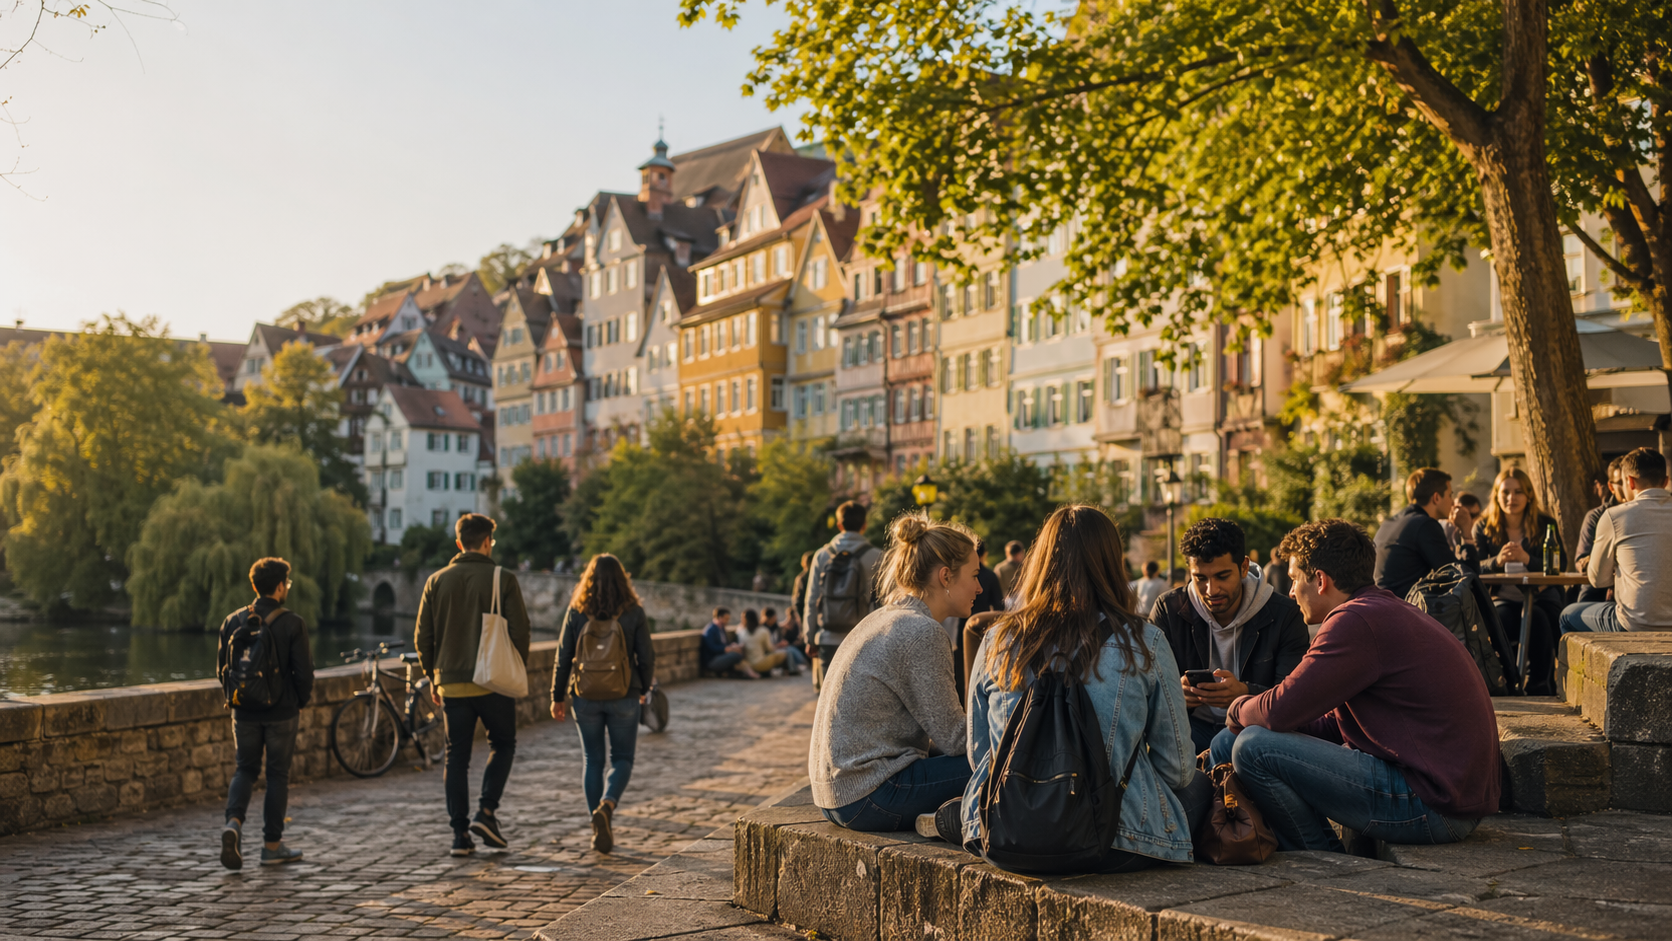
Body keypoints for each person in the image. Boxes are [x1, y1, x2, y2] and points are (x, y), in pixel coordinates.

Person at [1212, 519, 1500, 853]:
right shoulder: (1378, 609)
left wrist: (1236, 707)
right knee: (1229, 741)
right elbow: (1332, 724)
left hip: (1434, 806)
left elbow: (1279, 710)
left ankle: (1323, 858)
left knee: (1252, 746)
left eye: (1293, 579)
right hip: (1448, 797)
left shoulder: (1354, 621)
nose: (1290, 592)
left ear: (1320, 580)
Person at [960, 505, 1210, 871]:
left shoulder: (997, 639)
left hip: (1007, 831)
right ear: (1112, 561)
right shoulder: (1144, 641)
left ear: (1041, 560)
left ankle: (954, 818)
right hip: (1115, 843)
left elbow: (979, 754)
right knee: (1201, 786)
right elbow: (1177, 769)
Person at [808, 511, 978, 832]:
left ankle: (951, 817)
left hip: (835, 794)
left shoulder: (884, 618)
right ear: (945, 577)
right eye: (974, 575)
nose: (980, 587)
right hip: (870, 796)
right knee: (1009, 761)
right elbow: (955, 739)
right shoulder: (922, 632)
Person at [415, 513, 532, 857]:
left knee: (457, 757)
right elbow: (521, 631)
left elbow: (423, 637)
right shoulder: (502, 578)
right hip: (493, 680)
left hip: (451, 684)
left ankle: (459, 835)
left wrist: (434, 676)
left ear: (458, 543)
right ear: (486, 542)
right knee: (503, 743)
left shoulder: (436, 580)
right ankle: (487, 810)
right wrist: (514, 664)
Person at [1149, 518, 1310, 756]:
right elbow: (1143, 687)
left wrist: (1245, 693)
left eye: (1222, 576)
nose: (1211, 590)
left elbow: (1292, 700)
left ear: (1244, 567)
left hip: (1252, 730)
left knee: (1231, 744)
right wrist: (1173, 695)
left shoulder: (1284, 615)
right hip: (1190, 728)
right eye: (1200, 578)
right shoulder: (1168, 609)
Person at [550, 553, 656, 854]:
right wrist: (644, 687)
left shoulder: (577, 611)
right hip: (624, 693)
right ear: (623, 578)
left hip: (585, 696)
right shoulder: (633, 611)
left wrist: (556, 697)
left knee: (592, 760)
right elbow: (646, 656)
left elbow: (563, 657)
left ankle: (595, 826)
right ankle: (607, 807)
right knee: (622, 758)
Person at [217, 557, 314, 870]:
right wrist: (299, 701)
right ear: (280, 586)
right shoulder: (292, 623)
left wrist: (233, 699)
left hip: (243, 710)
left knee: (244, 769)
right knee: (277, 776)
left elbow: (222, 669)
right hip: (281, 712)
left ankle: (233, 823)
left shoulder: (232, 620)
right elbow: (304, 672)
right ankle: (271, 847)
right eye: (287, 583)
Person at [1473, 467, 1565, 695]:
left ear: (1529, 495)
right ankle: (1505, 683)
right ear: (1496, 495)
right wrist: (1497, 560)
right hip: (1501, 598)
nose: (1511, 498)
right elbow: (1472, 568)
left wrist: (1527, 559)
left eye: (1518, 492)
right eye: (1505, 492)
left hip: (1540, 598)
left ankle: (1541, 685)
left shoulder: (1545, 524)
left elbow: (1559, 566)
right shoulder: (1483, 527)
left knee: (1539, 619)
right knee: (1500, 621)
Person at [1561, 447, 1672, 634]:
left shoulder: (1614, 516)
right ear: (1666, 481)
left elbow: (1597, 580)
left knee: (1568, 615)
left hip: (1633, 624)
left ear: (1629, 481)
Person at [803, 501, 885, 688]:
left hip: (828, 637)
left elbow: (812, 599)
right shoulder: (877, 556)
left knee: (828, 701)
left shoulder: (822, 555)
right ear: (864, 525)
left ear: (839, 525)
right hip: (863, 639)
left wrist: (810, 637)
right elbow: (883, 601)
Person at [1373, 467, 1480, 600]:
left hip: (1380, 604)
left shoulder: (1389, 523)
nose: (1453, 502)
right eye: (1450, 495)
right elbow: (1463, 579)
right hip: (1402, 610)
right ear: (1436, 498)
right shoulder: (1425, 525)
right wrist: (1467, 533)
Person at [1573, 459, 1625, 604]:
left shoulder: (1644, 514)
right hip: (1598, 589)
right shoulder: (1596, 517)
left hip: (1631, 589)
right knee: (1571, 615)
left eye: (1628, 481)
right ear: (1611, 486)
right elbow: (1582, 562)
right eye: (1620, 482)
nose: (1627, 487)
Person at [699, 607, 759, 678]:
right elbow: (712, 647)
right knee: (736, 655)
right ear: (720, 617)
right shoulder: (710, 630)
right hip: (712, 660)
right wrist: (727, 649)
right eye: (726, 619)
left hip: (720, 657)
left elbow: (725, 643)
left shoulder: (721, 628)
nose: (728, 621)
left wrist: (733, 646)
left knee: (739, 652)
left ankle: (743, 672)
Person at [740, 608, 790, 675]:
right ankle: (788, 671)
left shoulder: (742, 632)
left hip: (748, 665)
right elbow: (770, 649)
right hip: (761, 663)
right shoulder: (763, 630)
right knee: (784, 653)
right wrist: (778, 646)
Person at [764, 607, 809, 673]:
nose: (775, 618)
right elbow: (767, 645)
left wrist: (782, 643)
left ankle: (796, 667)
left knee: (791, 650)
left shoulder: (776, 626)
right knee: (790, 651)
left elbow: (780, 639)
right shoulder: (763, 629)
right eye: (774, 617)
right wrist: (778, 644)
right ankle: (793, 669)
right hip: (773, 648)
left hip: (780, 647)